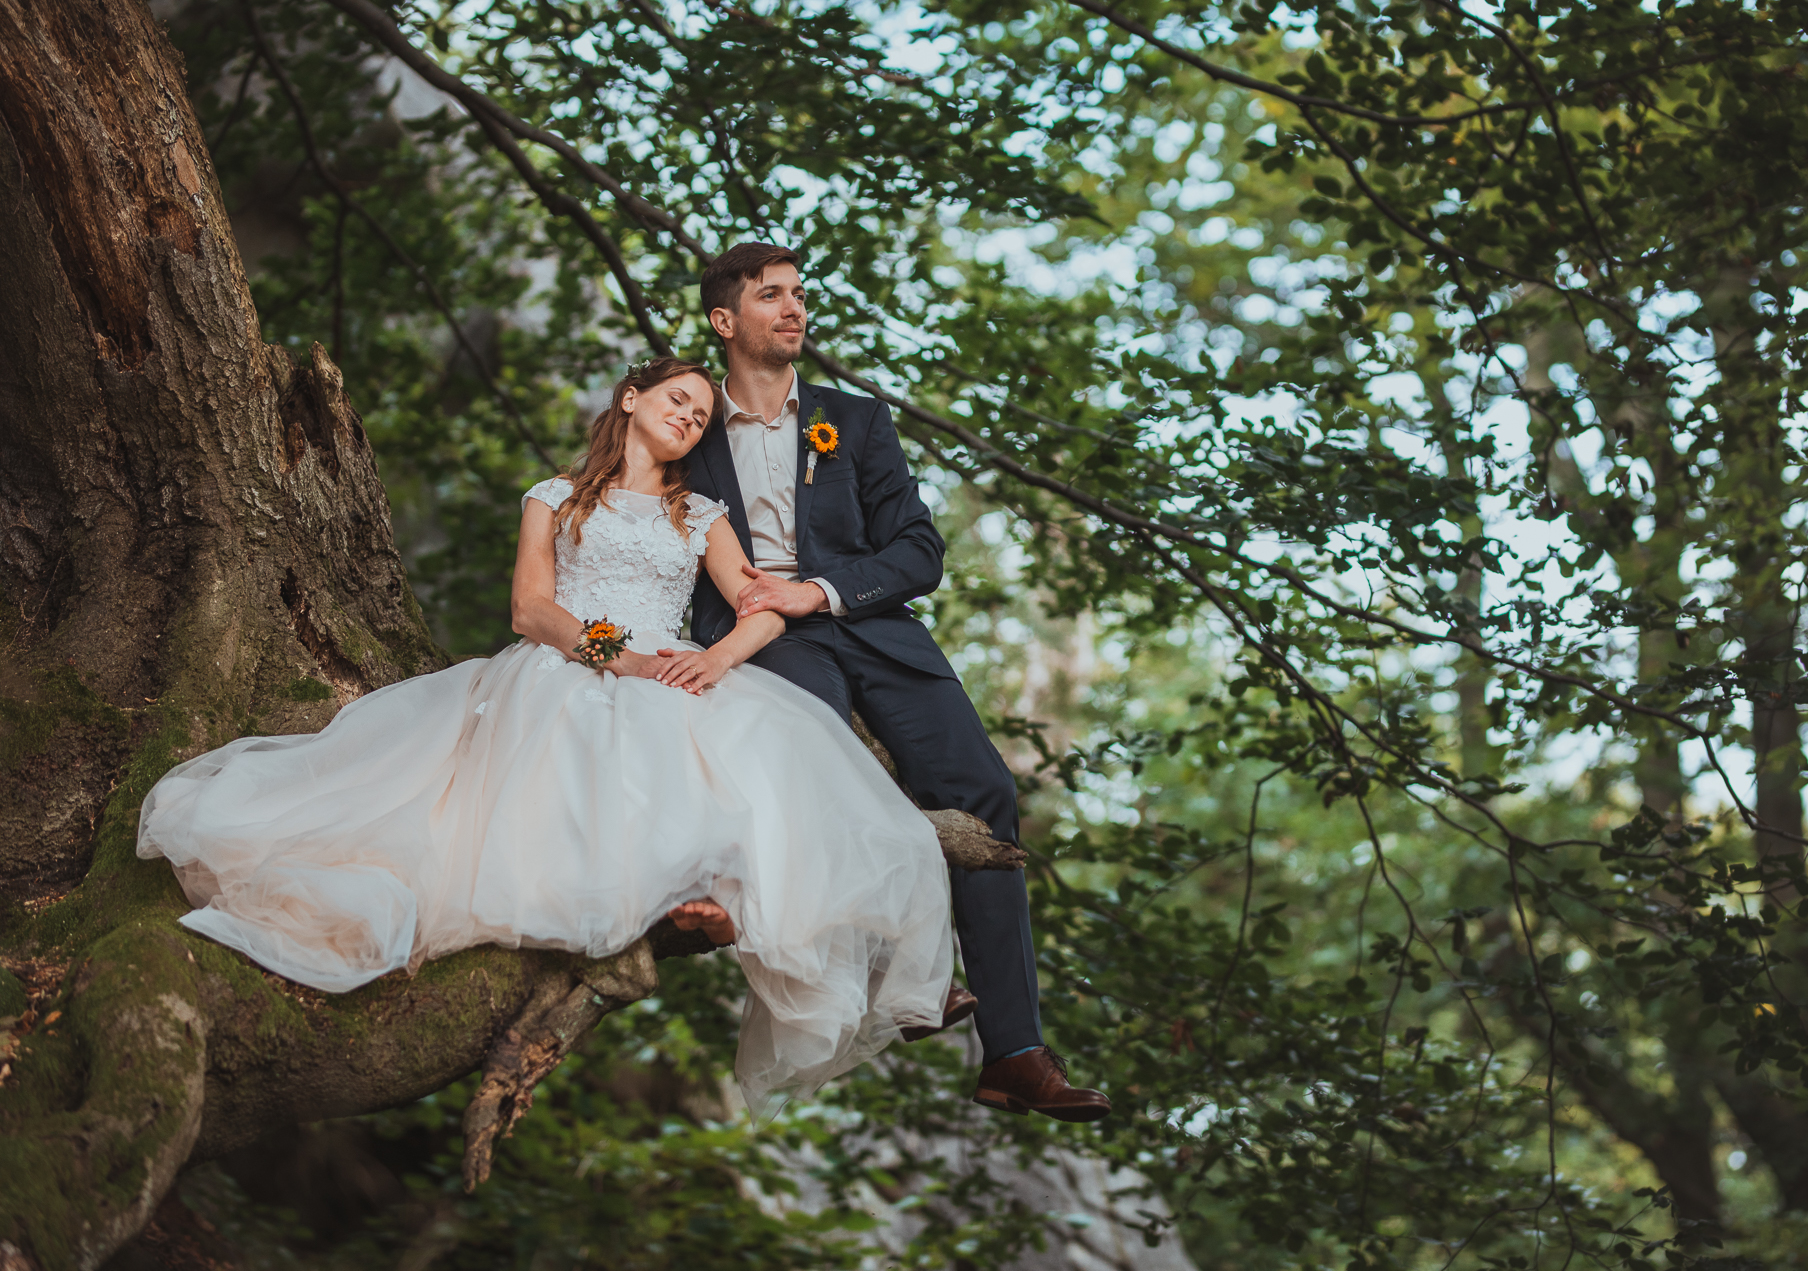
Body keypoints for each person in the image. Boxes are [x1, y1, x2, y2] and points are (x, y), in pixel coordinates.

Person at [138, 360, 955, 1112]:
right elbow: (530, 609)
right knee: (558, 765)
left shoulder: (701, 514)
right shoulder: (555, 497)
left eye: (703, 417)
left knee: (750, 760)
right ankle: (656, 887)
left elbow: (756, 598)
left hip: (669, 666)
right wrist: (621, 659)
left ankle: (711, 895)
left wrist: (716, 658)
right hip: (569, 664)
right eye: (679, 399)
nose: (689, 420)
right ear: (631, 398)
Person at [683, 242, 1111, 1122]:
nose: (794, 308)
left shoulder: (857, 420)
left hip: (868, 626)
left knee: (984, 788)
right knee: (826, 775)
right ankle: (903, 977)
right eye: (772, 297)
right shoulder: (685, 427)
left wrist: (821, 590)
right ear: (725, 321)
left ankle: (1016, 1053)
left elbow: (918, 549)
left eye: (800, 294)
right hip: (758, 636)